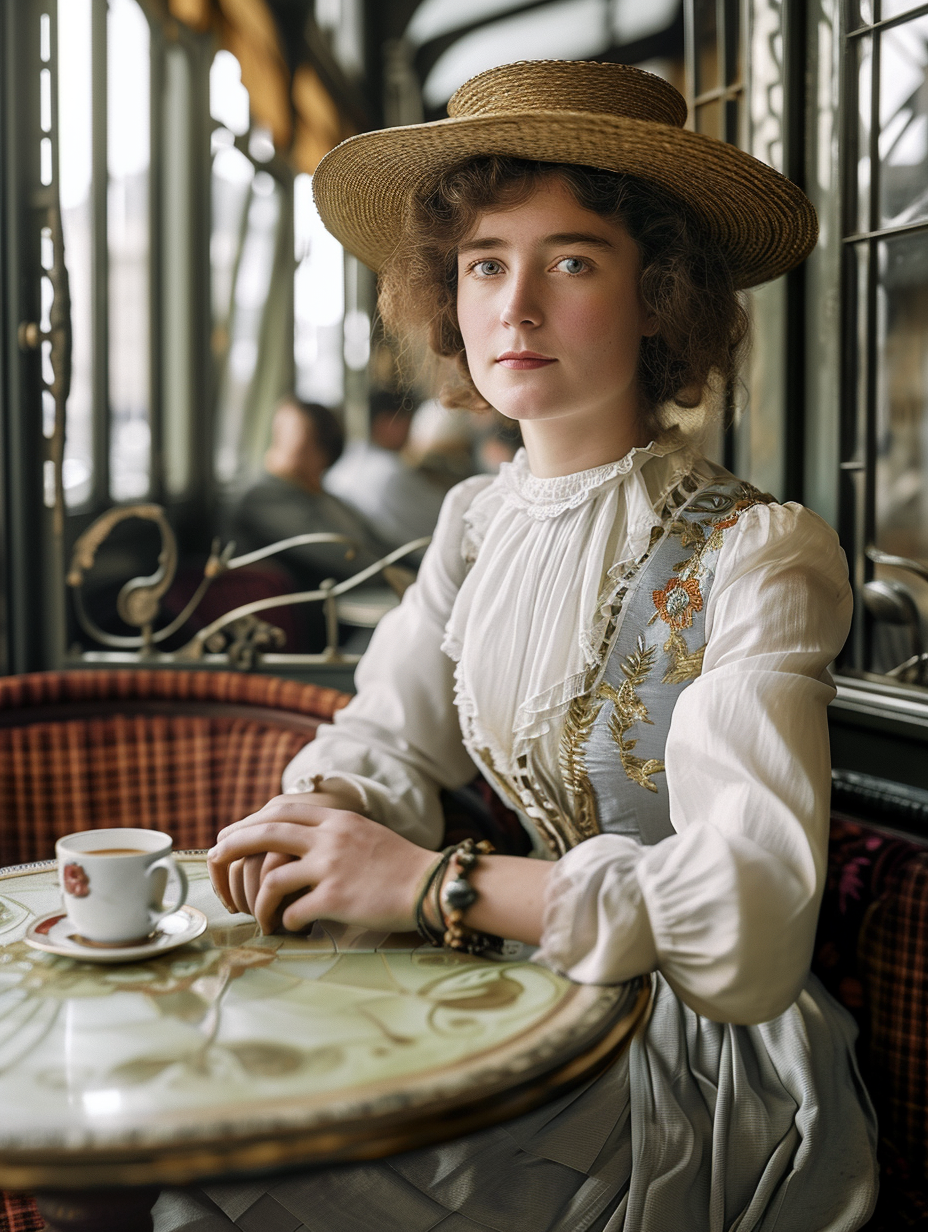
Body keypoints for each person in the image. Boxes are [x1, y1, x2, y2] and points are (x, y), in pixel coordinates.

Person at [167, 60, 878, 1232]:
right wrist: (326, 809)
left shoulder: (761, 552)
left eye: (573, 260)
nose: (516, 306)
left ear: (661, 294)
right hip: (523, 989)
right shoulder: (475, 519)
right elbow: (391, 728)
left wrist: (430, 882)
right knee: (198, 1117)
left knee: (240, 1186)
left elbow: (750, 919)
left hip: (689, 1063)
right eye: (486, 263)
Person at [229, 398, 407, 649]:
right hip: (315, 622)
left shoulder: (325, 498)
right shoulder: (264, 498)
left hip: (351, 606)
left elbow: (383, 544)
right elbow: (338, 554)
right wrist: (400, 578)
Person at [324, 389, 447, 548]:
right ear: (387, 423)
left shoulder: (344, 463)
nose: (411, 431)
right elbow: (446, 515)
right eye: (407, 421)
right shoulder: (391, 473)